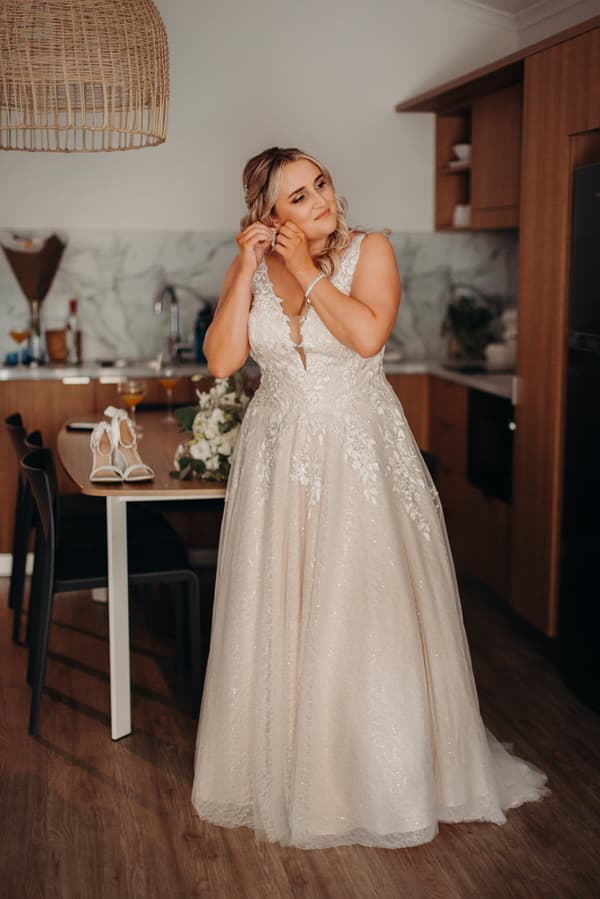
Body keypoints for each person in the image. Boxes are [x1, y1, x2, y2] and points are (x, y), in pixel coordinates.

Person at [191, 146, 549, 849]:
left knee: (362, 615)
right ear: (268, 214)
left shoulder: (370, 250)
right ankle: (294, 773)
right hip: (277, 464)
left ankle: (379, 779)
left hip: (359, 460)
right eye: (298, 195)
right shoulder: (256, 270)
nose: (320, 199)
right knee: (284, 610)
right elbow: (223, 360)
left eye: (319, 183)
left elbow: (365, 334)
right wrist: (241, 268)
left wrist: (303, 270)